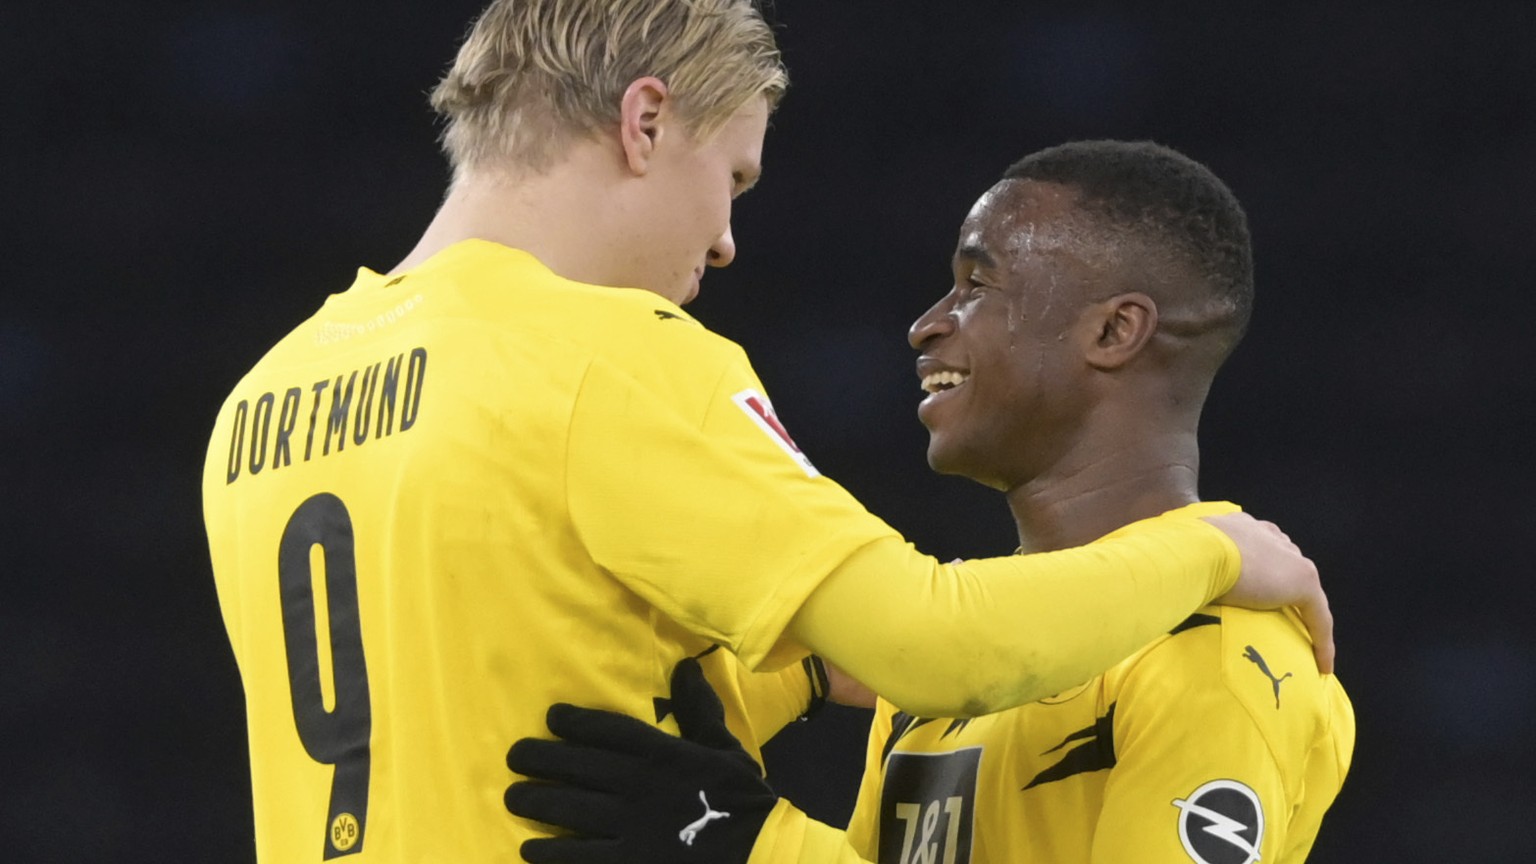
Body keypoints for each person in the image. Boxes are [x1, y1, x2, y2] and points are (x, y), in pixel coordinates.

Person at [200, 0, 1331, 857]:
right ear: (646, 121)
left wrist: (786, 699)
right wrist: (1220, 550)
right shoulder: (612, 357)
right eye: (731, 175)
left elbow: (532, 676)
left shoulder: (262, 402)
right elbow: (933, 640)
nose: (727, 237)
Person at [504, 141, 1354, 864]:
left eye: (976, 285)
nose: (927, 324)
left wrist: (755, 845)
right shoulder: (947, 666)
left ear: (1112, 332)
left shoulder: (1215, 652)